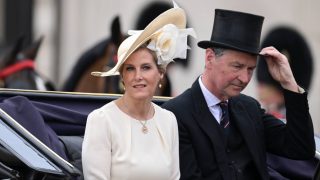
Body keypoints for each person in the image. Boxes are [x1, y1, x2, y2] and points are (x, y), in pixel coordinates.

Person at [162, 9, 315, 180]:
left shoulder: (249, 108)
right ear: (210, 57)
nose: (244, 78)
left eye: (250, 69)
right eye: (237, 66)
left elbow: (301, 147)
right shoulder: (175, 115)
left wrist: (288, 83)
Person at [82, 3, 196, 180]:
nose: (138, 76)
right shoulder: (100, 120)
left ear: (160, 74)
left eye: (145, 67)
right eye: (129, 69)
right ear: (122, 77)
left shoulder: (169, 120)